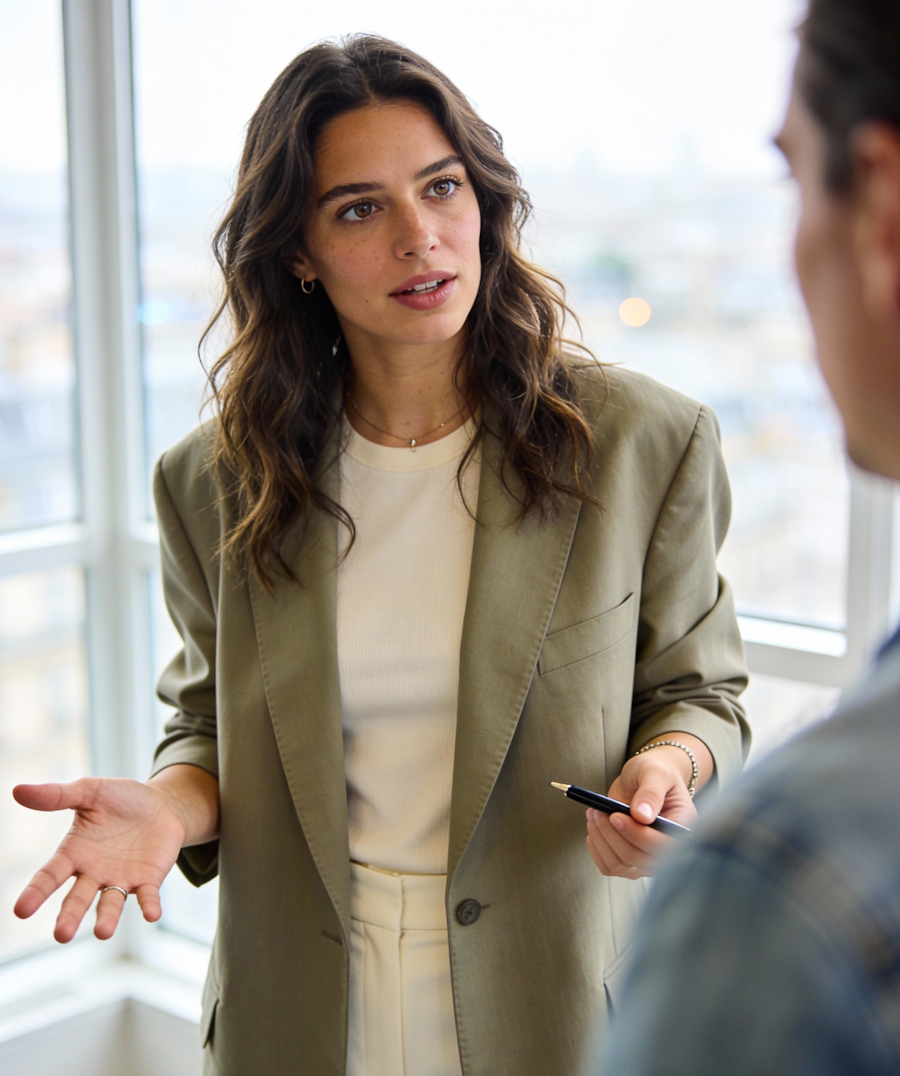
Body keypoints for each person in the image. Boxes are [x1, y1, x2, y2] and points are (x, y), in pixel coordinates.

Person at [12, 36, 748, 1075]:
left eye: (442, 188)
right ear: (298, 254)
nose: (420, 237)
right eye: (359, 208)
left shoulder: (643, 441)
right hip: (301, 1004)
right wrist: (166, 809)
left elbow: (702, 688)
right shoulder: (213, 478)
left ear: (483, 201)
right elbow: (206, 718)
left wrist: (667, 767)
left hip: (551, 995)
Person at [601, 2, 900, 1074]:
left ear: (882, 217)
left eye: (791, 177)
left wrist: (675, 760)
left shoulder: (782, 885)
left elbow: (699, 690)